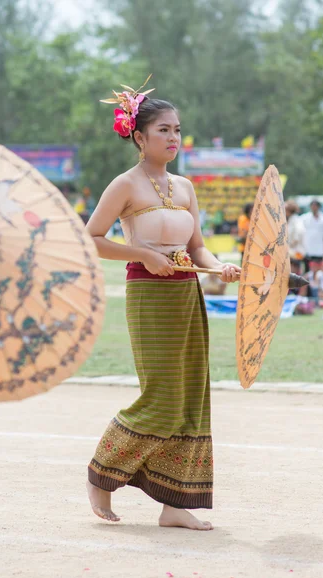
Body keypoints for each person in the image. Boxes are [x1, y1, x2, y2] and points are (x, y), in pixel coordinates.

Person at [85, 78, 241, 531]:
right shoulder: (125, 185)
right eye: (163, 131)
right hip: (149, 295)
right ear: (139, 137)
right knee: (162, 398)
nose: (173, 138)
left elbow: (199, 250)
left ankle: (174, 502)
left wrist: (223, 266)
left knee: (191, 397)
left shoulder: (186, 187)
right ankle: (101, 473)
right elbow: (93, 238)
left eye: (177, 130)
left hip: (187, 294)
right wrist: (143, 254)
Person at [301, 199, 323, 272]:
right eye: (312, 206)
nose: (314, 208)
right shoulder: (304, 218)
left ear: (319, 207)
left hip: (319, 250)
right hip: (307, 250)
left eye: (315, 206)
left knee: (319, 271)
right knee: (307, 271)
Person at [285, 200, 305, 269]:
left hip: (295, 251)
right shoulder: (290, 220)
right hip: (290, 251)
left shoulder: (296, 221)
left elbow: (297, 236)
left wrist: (289, 245)